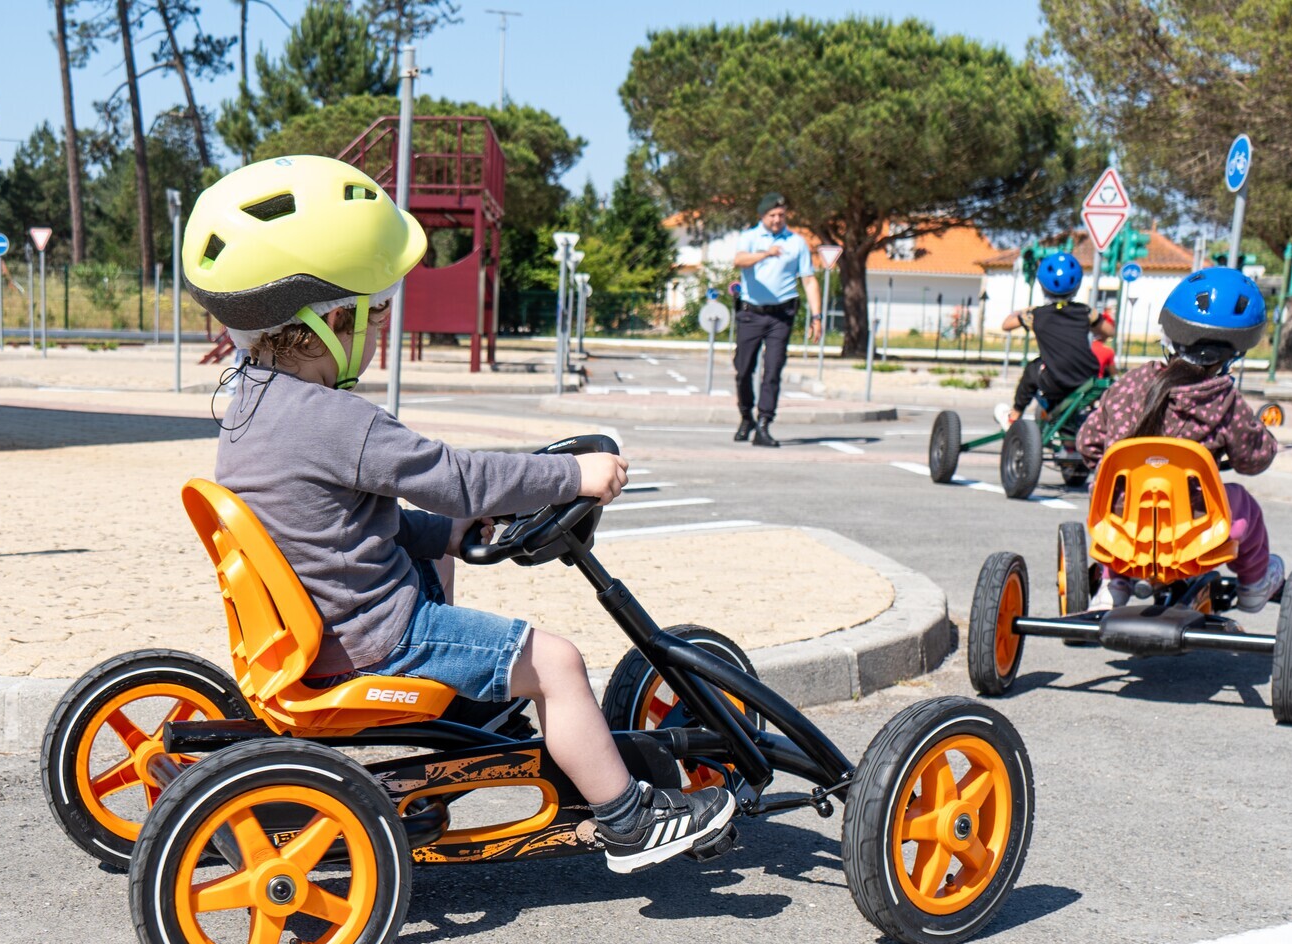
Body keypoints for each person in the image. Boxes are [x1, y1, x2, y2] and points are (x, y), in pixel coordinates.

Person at [181, 154, 734, 872]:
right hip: (375, 639)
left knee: (439, 551)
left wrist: (447, 533)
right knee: (559, 663)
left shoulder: (250, 406)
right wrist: (575, 474)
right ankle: (630, 820)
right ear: (335, 318)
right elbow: (457, 479)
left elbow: (332, 529)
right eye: (379, 313)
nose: (382, 329)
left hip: (319, 624)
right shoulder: (338, 421)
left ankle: (470, 704)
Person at [1076, 266, 1284, 613]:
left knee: (1113, 493)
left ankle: (1115, 582)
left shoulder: (1128, 385)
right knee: (1242, 502)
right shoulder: (1224, 401)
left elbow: (1087, 443)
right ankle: (1253, 584)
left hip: (1123, 529)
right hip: (1194, 533)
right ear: (1236, 352)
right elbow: (1254, 460)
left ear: (1169, 334)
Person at [727, 194, 818, 448]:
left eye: (781, 215)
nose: (777, 219)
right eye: (772, 215)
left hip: (781, 316)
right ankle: (746, 416)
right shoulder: (750, 237)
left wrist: (817, 316)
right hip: (751, 313)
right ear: (762, 216)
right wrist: (766, 254)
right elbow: (739, 260)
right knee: (743, 369)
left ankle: (764, 423)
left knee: (773, 369)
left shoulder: (797, 242)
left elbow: (809, 280)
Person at [1000, 249, 1112, 427]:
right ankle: (1068, 434)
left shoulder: (1036, 315)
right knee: (1058, 378)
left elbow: (1006, 325)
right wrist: (1095, 327)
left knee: (1033, 369)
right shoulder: (1085, 312)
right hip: (1086, 377)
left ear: (1042, 285)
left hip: (1055, 381)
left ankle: (1014, 416)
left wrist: (1024, 311)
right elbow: (1109, 330)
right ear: (1077, 285)